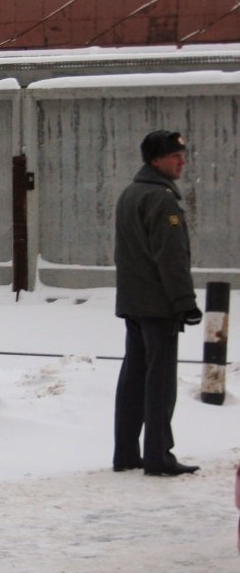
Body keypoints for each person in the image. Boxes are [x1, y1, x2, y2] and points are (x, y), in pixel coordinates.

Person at [113, 130, 202, 476]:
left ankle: (126, 453)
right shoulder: (162, 199)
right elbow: (170, 256)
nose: (182, 161)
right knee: (160, 382)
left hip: (134, 302)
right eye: (174, 156)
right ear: (155, 161)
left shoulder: (130, 194)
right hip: (158, 304)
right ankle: (158, 456)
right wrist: (184, 301)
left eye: (182, 155)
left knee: (134, 377)